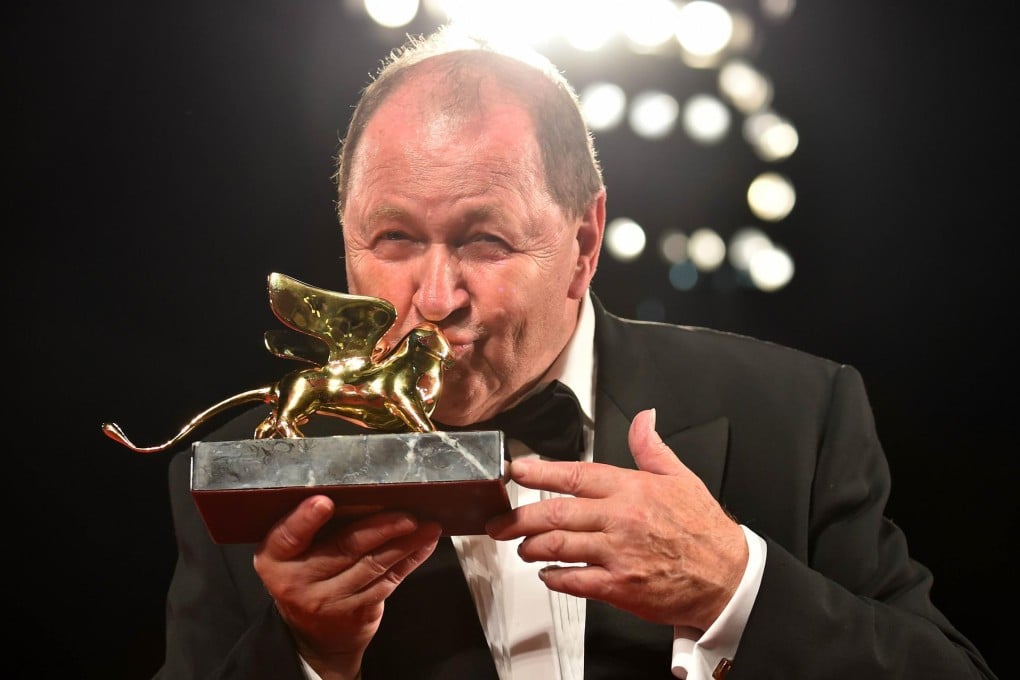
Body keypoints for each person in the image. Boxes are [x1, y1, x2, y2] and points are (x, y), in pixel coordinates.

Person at [153, 25, 997, 680]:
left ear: (585, 240)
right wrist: (308, 655)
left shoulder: (799, 418)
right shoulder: (239, 490)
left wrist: (736, 589)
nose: (436, 299)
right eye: (394, 239)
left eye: (484, 241)